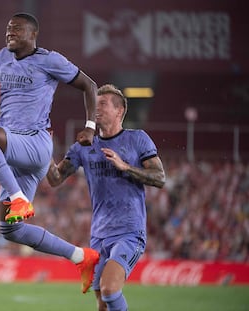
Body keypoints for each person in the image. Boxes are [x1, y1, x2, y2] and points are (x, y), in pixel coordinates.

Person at [0, 12, 99, 293]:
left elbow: (89, 85)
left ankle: (18, 197)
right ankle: (82, 257)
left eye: (16, 30)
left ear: (33, 35)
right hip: (16, 152)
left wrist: (90, 127)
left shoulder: (49, 59)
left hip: (34, 143)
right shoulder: (2, 58)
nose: (10, 33)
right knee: (11, 230)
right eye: (8, 29)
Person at [47, 84, 166, 310]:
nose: (95, 109)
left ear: (119, 111)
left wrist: (125, 167)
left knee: (111, 290)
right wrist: (43, 150)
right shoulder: (84, 146)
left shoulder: (137, 139)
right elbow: (55, 179)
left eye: (102, 104)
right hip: (99, 236)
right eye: (94, 105)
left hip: (129, 231)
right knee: (102, 304)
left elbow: (159, 177)